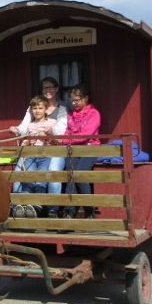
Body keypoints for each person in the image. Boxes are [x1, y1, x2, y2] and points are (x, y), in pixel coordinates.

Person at [9, 76, 68, 216]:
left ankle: (49, 208)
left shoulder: (61, 109)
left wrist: (47, 133)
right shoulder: (33, 108)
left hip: (49, 150)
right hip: (31, 151)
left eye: (51, 87)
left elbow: (60, 130)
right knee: (20, 175)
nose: (48, 90)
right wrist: (17, 131)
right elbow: (24, 127)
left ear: (56, 89)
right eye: (45, 87)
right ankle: (19, 206)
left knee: (48, 175)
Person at [55, 84, 101, 219]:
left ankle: (89, 210)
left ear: (86, 98)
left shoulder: (94, 114)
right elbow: (68, 132)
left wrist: (63, 141)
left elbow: (86, 135)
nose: (74, 103)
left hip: (90, 148)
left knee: (80, 175)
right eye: (72, 100)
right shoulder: (71, 115)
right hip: (74, 149)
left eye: (77, 100)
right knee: (70, 175)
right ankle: (70, 211)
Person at [10, 95, 57, 218]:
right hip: (30, 155)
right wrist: (25, 142)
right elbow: (24, 140)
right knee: (28, 179)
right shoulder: (29, 126)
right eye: (34, 108)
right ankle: (24, 205)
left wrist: (46, 135)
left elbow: (55, 139)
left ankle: (37, 204)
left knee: (41, 179)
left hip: (45, 155)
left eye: (40, 108)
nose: (37, 111)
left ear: (46, 110)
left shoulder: (51, 123)